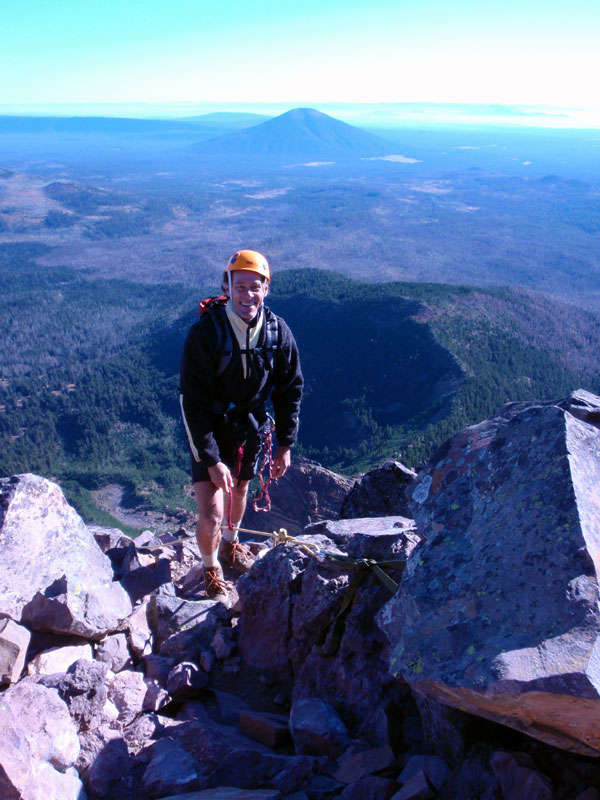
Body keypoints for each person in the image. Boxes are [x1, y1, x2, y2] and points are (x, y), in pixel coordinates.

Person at [179, 249, 303, 600]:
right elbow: (192, 400)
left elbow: (290, 387)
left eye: (255, 287)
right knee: (211, 510)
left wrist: (285, 443)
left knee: (242, 490)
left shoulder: (277, 332)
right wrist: (211, 458)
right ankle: (210, 567)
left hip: (251, 425)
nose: (248, 294)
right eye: (240, 286)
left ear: (267, 289)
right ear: (227, 285)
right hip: (212, 427)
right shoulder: (207, 334)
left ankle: (231, 546)